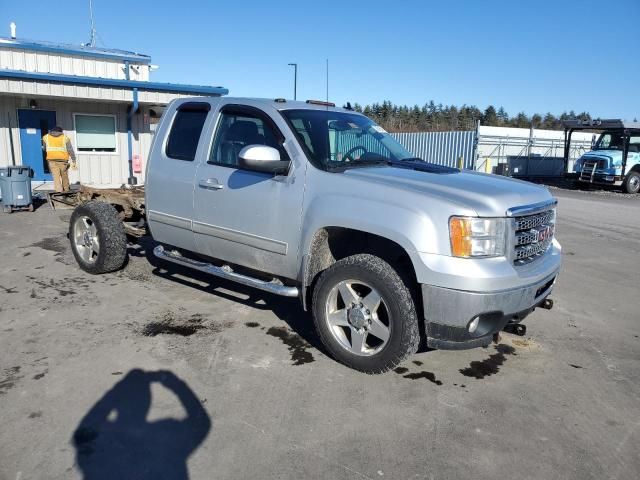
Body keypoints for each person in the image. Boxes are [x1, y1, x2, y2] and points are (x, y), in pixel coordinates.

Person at [42, 126, 76, 192]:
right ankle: (66, 191)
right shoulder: (65, 138)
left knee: (56, 177)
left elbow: (44, 149)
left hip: (51, 160)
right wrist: (74, 160)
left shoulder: (46, 137)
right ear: (61, 131)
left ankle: (59, 193)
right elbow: (70, 150)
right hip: (63, 160)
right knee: (64, 176)